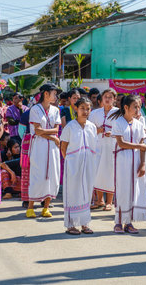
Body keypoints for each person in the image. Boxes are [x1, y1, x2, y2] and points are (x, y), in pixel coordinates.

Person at [110, 94, 146, 234]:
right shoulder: (118, 122)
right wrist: (139, 146)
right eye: (135, 107)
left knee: (134, 190)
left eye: (139, 106)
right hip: (123, 160)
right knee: (122, 189)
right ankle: (118, 221)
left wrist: (143, 163)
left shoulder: (139, 124)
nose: (138, 110)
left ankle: (129, 222)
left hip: (136, 159)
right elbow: (121, 143)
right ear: (126, 107)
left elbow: (143, 145)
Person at [60, 97, 97, 235]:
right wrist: (70, 162)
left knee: (87, 193)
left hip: (88, 166)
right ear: (76, 109)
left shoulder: (92, 127)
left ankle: (85, 224)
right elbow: (63, 147)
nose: (85, 111)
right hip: (73, 166)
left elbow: (94, 147)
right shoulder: (70, 126)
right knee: (73, 193)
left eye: (88, 108)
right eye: (82, 108)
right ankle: (71, 225)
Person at [26, 84, 62, 218]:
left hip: (52, 147)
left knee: (52, 175)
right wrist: (52, 136)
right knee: (37, 174)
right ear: (46, 94)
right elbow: (37, 131)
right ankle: (30, 207)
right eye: (54, 93)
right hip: (39, 146)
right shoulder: (35, 109)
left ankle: (46, 207)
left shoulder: (56, 110)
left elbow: (56, 129)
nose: (56, 96)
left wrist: (46, 133)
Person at [88, 89, 118, 211]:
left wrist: (113, 133)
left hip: (112, 146)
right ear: (101, 98)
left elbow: (122, 129)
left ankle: (109, 202)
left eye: (110, 97)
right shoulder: (95, 113)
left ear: (114, 99)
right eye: (105, 96)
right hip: (98, 146)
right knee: (97, 173)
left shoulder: (119, 113)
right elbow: (88, 128)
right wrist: (97, 130)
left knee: (110, 173)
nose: (107, 99)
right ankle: (99, 200)